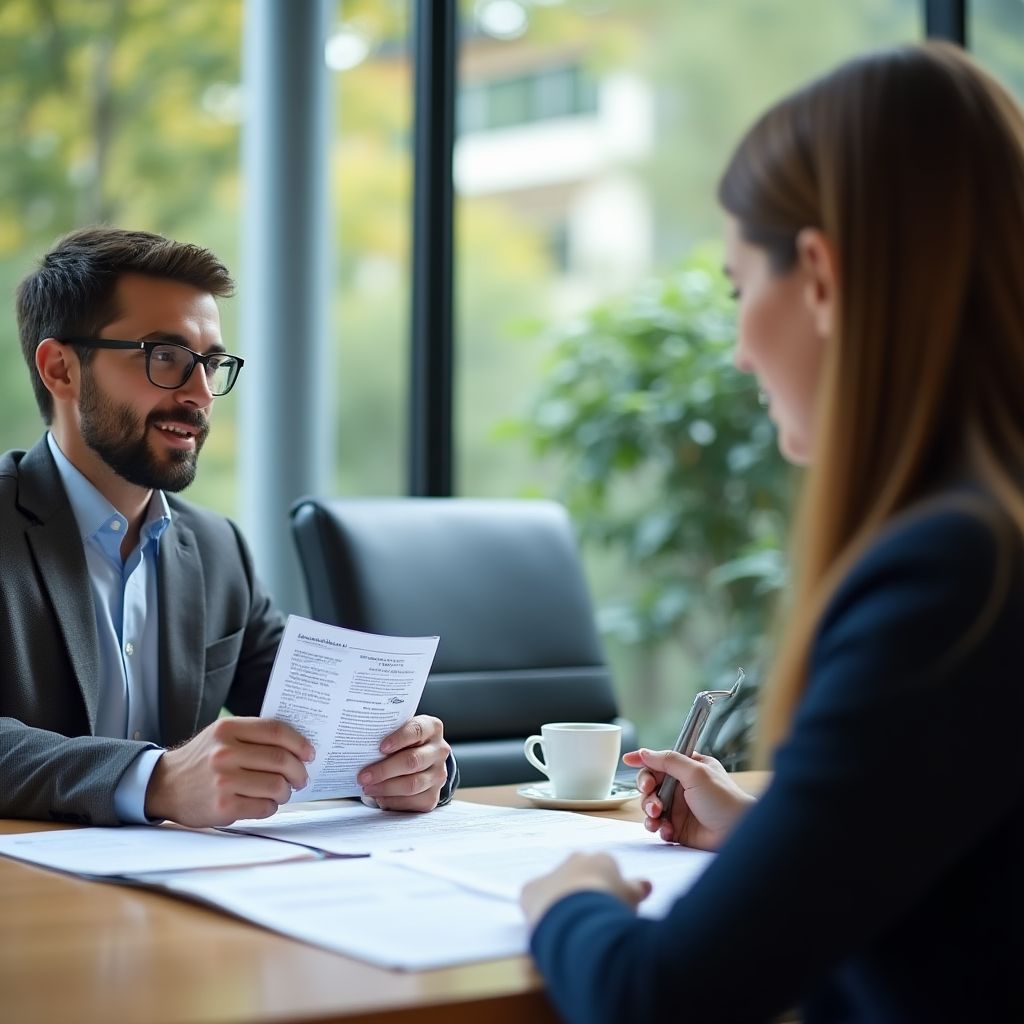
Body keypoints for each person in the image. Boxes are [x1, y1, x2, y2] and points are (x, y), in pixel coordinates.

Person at [520, 41, 1024, 1022]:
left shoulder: (950, 575)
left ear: (823, 278)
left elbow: (660, 1000)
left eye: (738, 286)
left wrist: (567, 901)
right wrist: (777, 834)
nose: (742, 348)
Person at [1, 227, 455, 828]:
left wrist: (414, 763)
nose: (200, 393)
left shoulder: (216, 550)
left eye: (211, 363)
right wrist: (153, 780)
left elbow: (320, 724)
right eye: (165, 357)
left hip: (169, 897)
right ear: (61, 369)